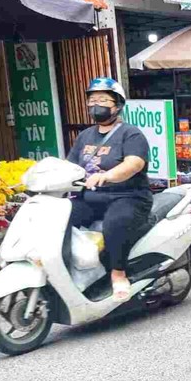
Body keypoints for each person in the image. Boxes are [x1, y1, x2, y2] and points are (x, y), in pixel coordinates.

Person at [67, 77, 153, 301]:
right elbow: (71, 167)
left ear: (117, 104)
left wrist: (106, 176)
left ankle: (118, 274)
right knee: (62, 216)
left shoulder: (131, 134)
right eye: (92, 99)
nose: (96, 105)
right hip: (91, 197)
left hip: (128, 196)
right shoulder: (85, 136)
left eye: (103, 99)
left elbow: (134, 164)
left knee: (114, 223)